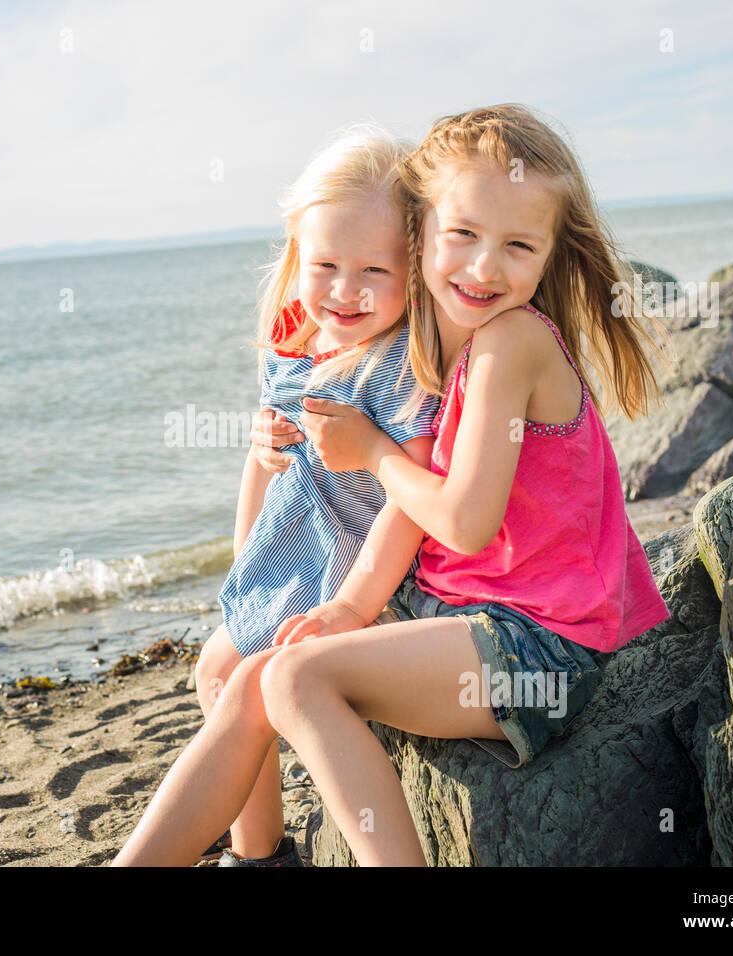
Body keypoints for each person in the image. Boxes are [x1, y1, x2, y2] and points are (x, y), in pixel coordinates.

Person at [113, 103, 672, 867]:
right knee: (247, 677)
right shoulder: (440, 338)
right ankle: (250, 859)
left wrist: (370, 453)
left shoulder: (510, 342)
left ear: (550, 252)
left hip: (536, 650)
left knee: (300, 681)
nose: (482, 267)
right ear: (424, 236)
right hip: (452, 616)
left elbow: (465, 524)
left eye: (517, 245)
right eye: (463, 235)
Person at [193, 125, 440, 867]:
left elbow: (408, 505)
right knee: (214, 670)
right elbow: (268, 466)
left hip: (368, 575)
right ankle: (258, 850)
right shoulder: (295, 344)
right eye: (325, 264)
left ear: (417, 268)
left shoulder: (407, 362)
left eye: (375, 269)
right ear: (298, 257)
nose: (345, 289)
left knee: (254, 683)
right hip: (294, 557)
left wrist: (354, 608)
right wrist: (243, 565)